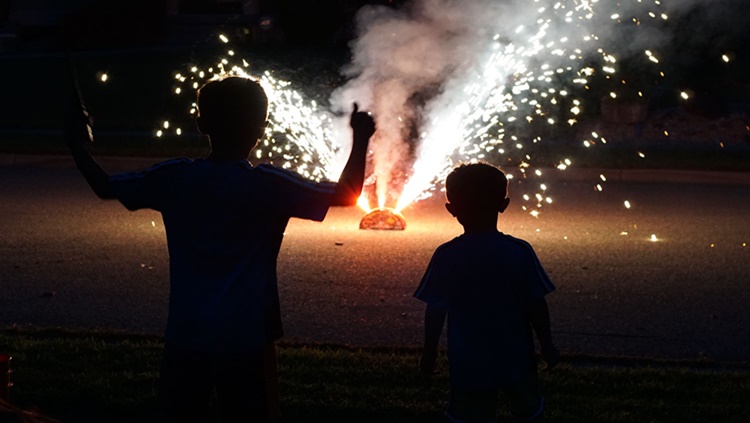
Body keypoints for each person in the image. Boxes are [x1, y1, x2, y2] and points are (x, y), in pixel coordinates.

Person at [65, 75, 375, 422]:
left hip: (187, 332)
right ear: (262, 128)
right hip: (248, 337)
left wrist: (76, 142)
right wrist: (361, 138)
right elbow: (348, 194)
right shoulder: (268, 185)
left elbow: (105, 186)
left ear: (201, 124)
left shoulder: (176, 178)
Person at [414, 162, 560, 423]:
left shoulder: (447, 256)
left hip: (468, 358)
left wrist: (430, 352)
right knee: (527, 410)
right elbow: (536, 304)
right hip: (516, 356)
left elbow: (435, 309)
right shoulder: (519, 252)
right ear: (503, 204)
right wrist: (547, 345)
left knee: (469, 415)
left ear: (451, 209)